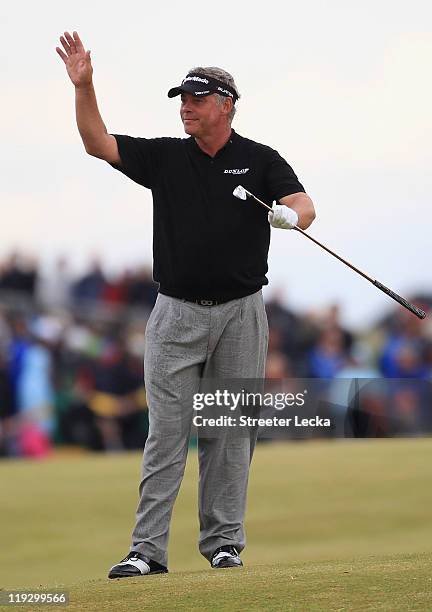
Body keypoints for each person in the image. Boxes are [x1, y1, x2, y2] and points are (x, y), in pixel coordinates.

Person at [56, 31, 316, 577]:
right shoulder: (166, 157)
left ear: (226, 105)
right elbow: (97, 142)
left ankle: (224, 543)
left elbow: (303, 203)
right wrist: (84, 86)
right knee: (166, 433)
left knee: (227, 434)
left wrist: (290, 216)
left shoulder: (259, 160)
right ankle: (146, 551)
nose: (186, 107)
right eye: (182, 98)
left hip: (241, 312)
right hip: (174, 313)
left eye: (196, 98)